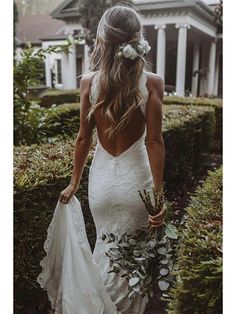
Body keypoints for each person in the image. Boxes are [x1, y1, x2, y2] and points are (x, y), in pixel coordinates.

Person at [58, 4, 165, 313]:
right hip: (137, 185)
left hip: (102, 186)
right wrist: (158, 197)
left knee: (104, 251)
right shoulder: (152, 82)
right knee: (133, 262)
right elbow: (155, 143)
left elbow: (83, 138)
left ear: (103, 39)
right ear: (136, 39)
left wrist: (74, 182)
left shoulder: (88, 83)